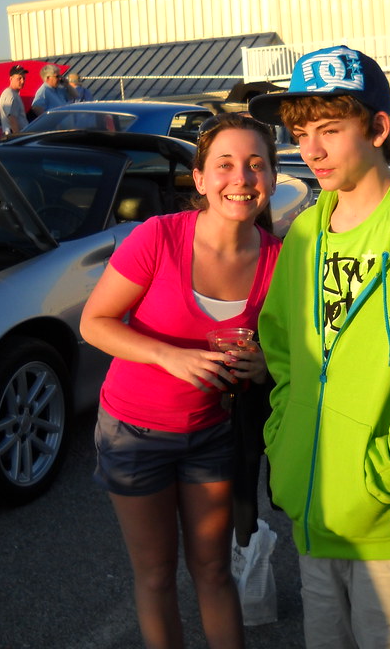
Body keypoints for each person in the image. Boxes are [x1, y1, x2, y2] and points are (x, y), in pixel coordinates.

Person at [248, 46, 390, 649]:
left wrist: (378, 479)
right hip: (314, 516)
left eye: (330, 130)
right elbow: (282, 353)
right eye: (301, 133)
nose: (311, 150)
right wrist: (286, 443)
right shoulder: (303, 232)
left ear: (378, 128)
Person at [79, 113, 281, 649]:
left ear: (273, 178)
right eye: (225, 165)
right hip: (134, 431)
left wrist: (263, 364)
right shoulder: (159, 237)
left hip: (213, 432)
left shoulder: (278, 261)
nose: (241, 178)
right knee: (155, 574)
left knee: (214, 571)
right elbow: (94, 324)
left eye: (257, 164)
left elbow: (285, 352)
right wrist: (168, 356)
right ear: (199, 179)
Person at [0, 64, 29, 136]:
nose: (22, 81)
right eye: (19, 78)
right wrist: (18, 137)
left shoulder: (14, 94)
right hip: (15, 137)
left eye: (24, 78)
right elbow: (12, 119)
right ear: (11, 79)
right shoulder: (10, 95)